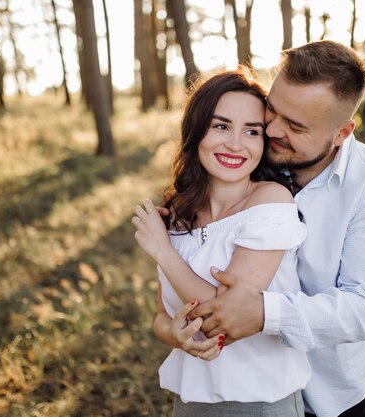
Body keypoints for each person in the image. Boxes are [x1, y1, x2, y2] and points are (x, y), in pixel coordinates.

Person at [188, 40, 365, 417]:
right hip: (247, 384)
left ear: (342, 132)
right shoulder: (258, 152)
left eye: (294, 125)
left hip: (328, 394)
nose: (272, 128)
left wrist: (266, 313)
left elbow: (364, 308)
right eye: (273, 109)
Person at [132, 67, 311, 416]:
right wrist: (176, 336)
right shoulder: (179, 211)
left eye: (251, 131)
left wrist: (162, 251)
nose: (235, 144)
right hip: (189, 401)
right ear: (197, 130)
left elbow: (224, 317)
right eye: (221, 126)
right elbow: (160, 316)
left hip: (259, 403)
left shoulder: (271, 202)